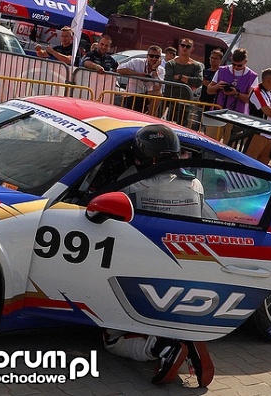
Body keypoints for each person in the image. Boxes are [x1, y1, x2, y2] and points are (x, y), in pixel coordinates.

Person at [102, 124, 214, 387]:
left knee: (112, 340)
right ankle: (184, 337)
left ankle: (163, 347)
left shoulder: (131, 182)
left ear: (141, 158)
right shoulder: (194, 184)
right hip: (187, 276)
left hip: (140, 277)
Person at [245, 68, 271, 164]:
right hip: (258, 133)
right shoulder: (257, 92)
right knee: (250, 163)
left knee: (263, 164)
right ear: (268, 80)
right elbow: (267, 110)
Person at [163, 37, 204, 125]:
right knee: (164, 124)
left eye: (188, 46)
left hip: (185, 101)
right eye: (183, 45)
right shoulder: (170, 63)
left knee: (182, 126)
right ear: (179, 47)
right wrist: (188, 81)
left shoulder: (196, 65)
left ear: (192, 49)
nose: (185, 48)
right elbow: (168, 79)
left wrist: (180, 77)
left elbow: (198, 81)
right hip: (169, 99)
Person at [207, 48, 258, 114]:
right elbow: (209, 90)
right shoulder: (222, 70)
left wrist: (236, 93)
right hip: (218, 111)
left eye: (239, 65)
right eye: (233, 64)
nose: (236, 67)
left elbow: (251, 100)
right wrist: (217, 86)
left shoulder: (252, 76)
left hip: (238, 114)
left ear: (245, 61)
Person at [117, 45, 165, 115]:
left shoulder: (161, 70)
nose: (154, 59)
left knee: (158, 95)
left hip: (146, 97)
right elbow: (119, 69)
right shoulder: (136, 62)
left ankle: (149, 118)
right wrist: (138, 74)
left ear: (160, 58)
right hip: (131, 96)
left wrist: (155, 70)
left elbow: (157, 88)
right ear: (147, 56)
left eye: (157, 57)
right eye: (151, 56)